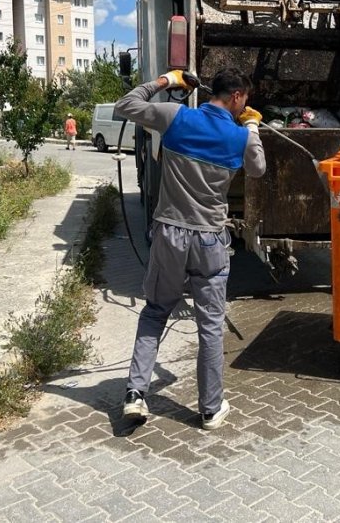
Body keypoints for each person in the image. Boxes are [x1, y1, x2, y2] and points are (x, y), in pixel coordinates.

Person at [115, 68, 265, 430]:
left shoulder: (175, 117)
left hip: (169, 235)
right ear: (238, 98)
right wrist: (252, 127)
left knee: (155, 311)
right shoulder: (239, 136)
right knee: (210, 326)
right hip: (210, 240)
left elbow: (125, 105)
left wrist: (166, 82)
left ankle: (136, 394)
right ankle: (210, 409)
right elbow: (258, 169)